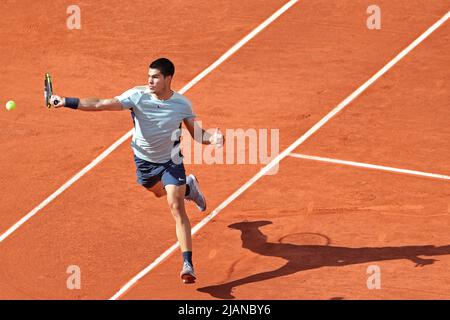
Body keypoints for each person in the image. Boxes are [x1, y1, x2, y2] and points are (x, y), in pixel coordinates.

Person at [49, 57, 224, 284]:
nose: (149, 81)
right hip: (144, 161)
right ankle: (189, 187)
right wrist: (65, 101)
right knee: (158, 192)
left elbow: (198, 135)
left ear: (168, 79)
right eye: (148, 76)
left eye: (155, 77)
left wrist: (214, 138)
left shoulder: (182, 104)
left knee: (175, 204)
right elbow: (101, 104)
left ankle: (187, 263)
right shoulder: (137, 96)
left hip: (171, 160)